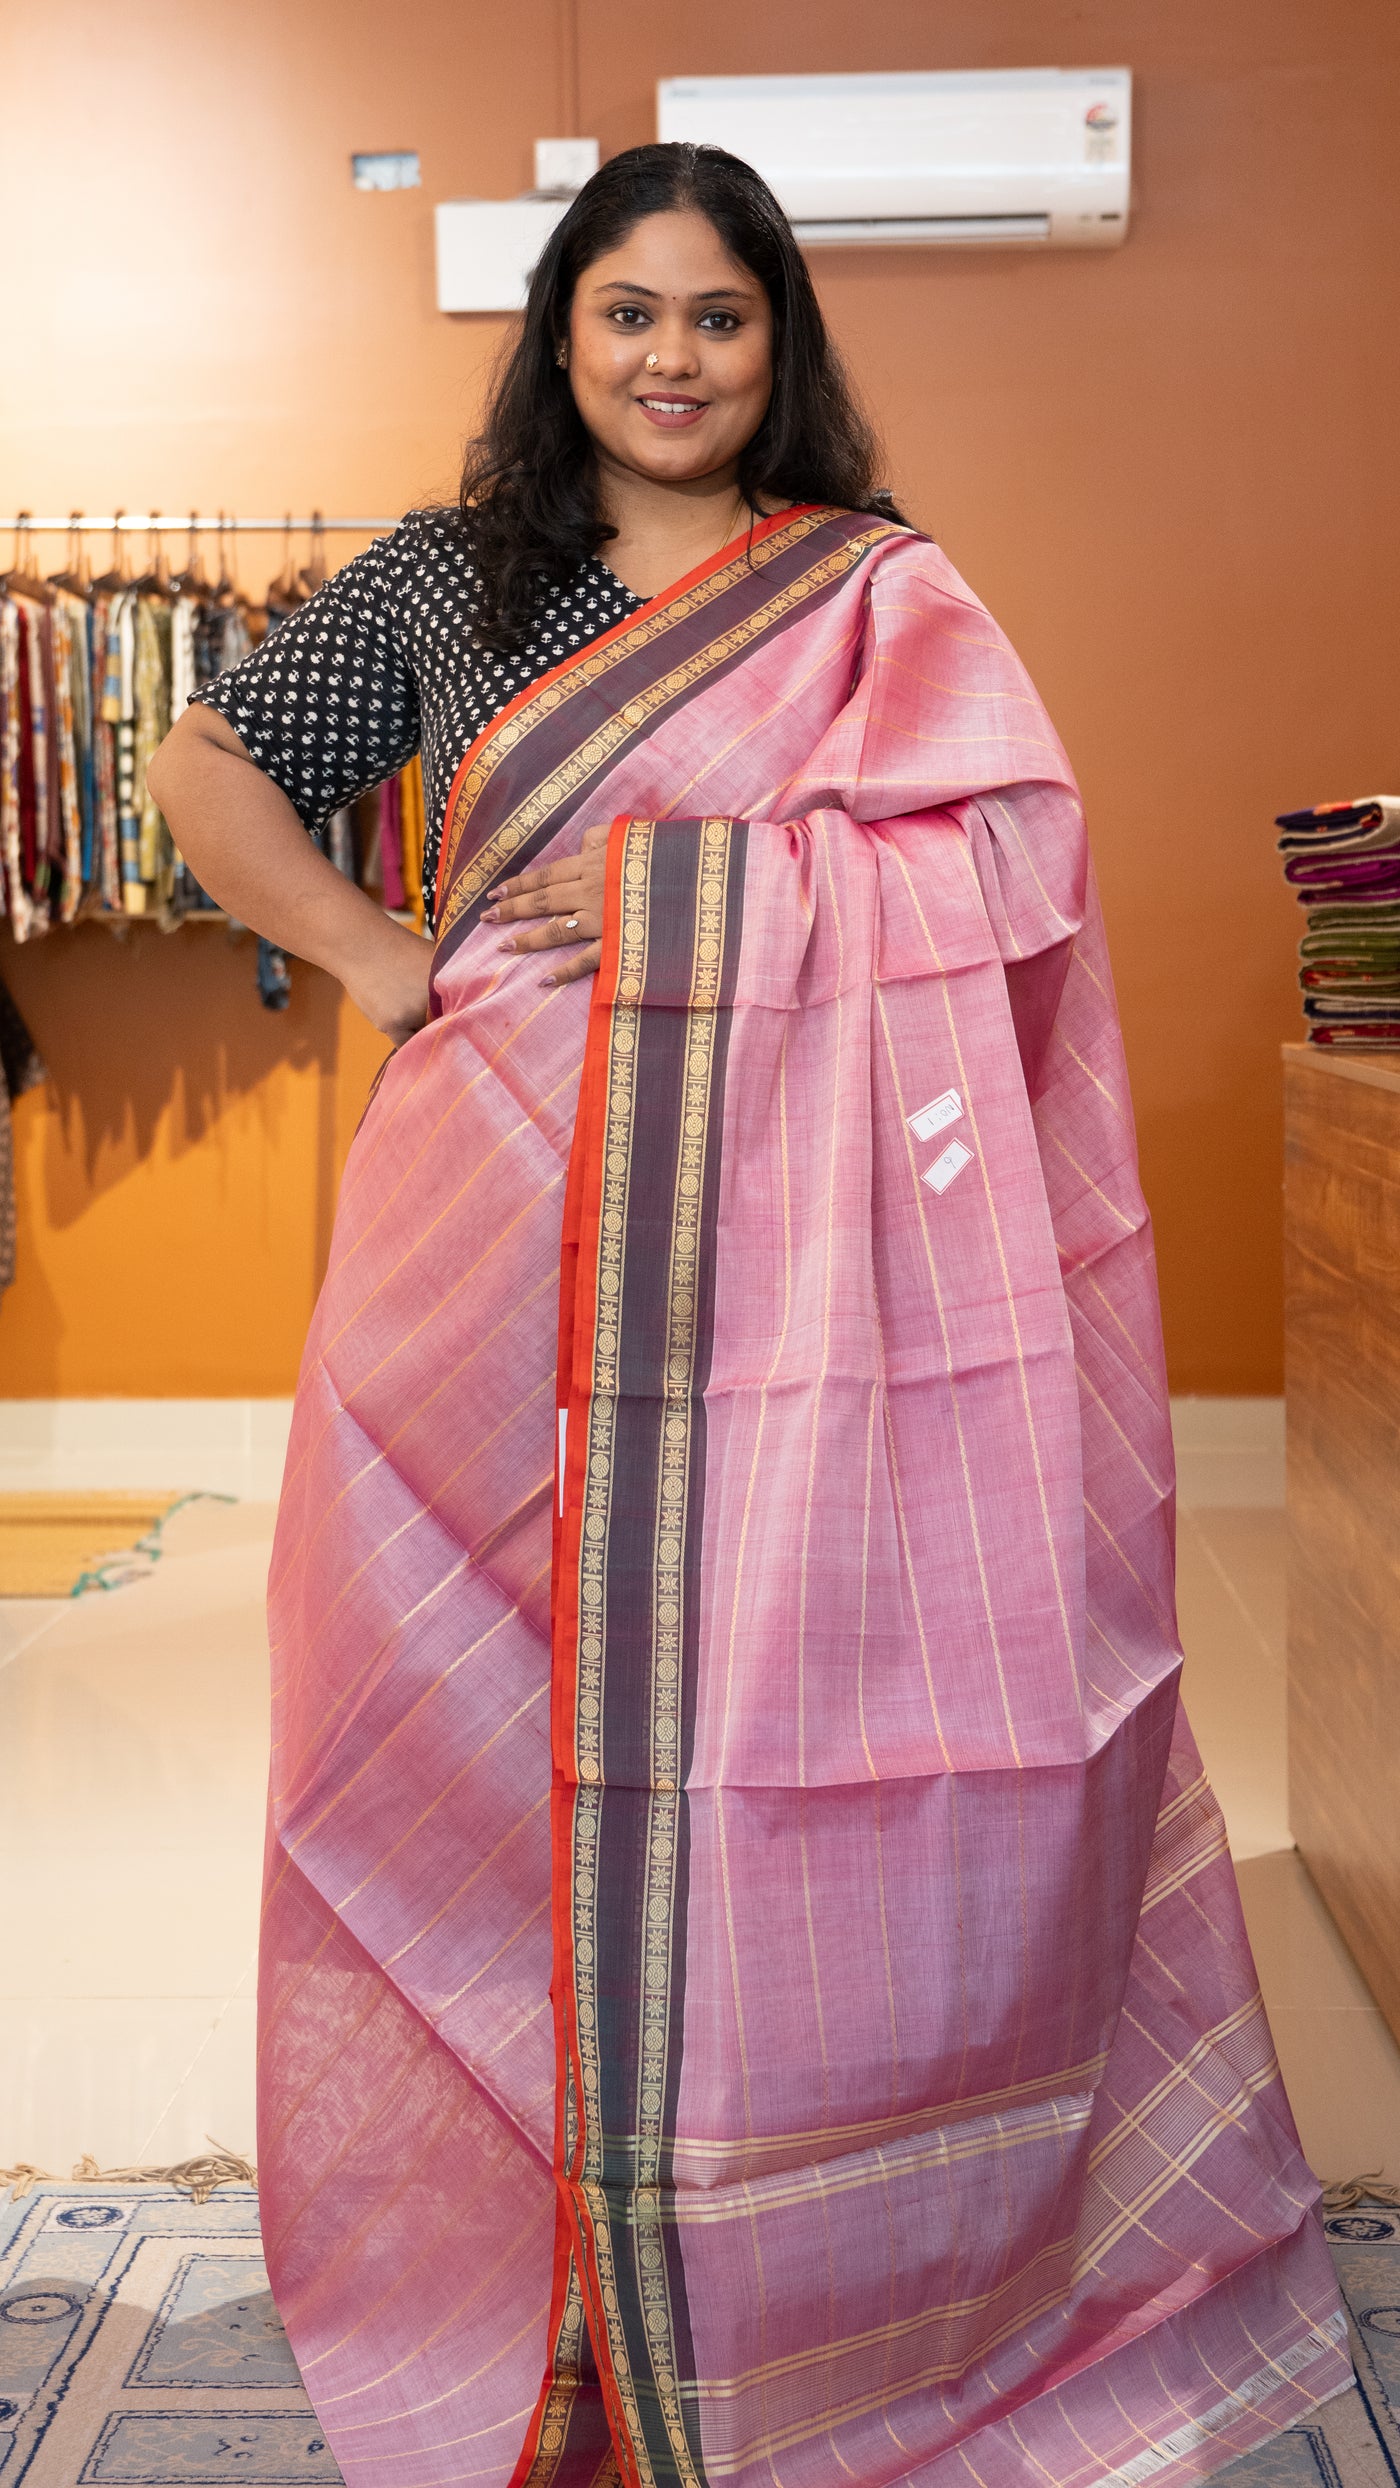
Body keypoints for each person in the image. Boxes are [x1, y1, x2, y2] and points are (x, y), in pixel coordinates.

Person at [148, 143, 1346, 2488]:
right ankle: (523, 2235)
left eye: (717, 315)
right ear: (561, 338)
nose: (672, 358)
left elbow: (1006, 861)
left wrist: (695, 891)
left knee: (768, 1720)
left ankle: (784, 2235)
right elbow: (205, 766)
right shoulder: (455, 573)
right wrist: (382, 958)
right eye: (628, 313)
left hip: (800, 1268)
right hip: (485, 1223)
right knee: (452, 1711)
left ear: (776, 338)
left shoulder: (871, 587)